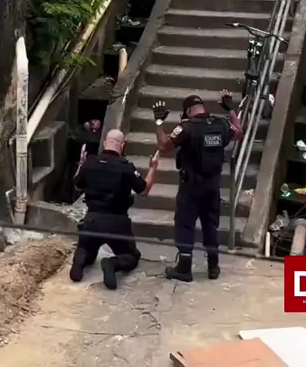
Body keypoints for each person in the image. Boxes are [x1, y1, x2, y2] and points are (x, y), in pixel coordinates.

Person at [152, 91, 243, 283]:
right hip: (213, 185)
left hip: (191, 186)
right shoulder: (221, 124)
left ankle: (184, 268)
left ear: (187, 111)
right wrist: (231, 109)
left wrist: (159, 122)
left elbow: (163, 145)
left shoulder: (187, 127)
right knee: (210, 224)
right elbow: (239, 133)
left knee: (185, 223)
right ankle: (213, 266)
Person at [69, 129, 159, 290]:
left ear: (105, 143)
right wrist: (153, 167)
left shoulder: (90, 162)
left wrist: (81, 163)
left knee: (86, 249)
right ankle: (112, 264)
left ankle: (80, 260)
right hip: (117, 224)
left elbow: (77, 184)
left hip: (92, 221)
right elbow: (144, 190)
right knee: (131, 256)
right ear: (123, 145)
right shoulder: (126, 167)